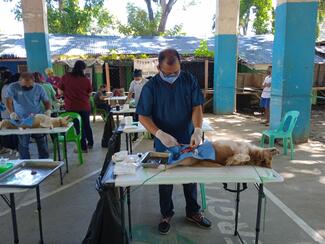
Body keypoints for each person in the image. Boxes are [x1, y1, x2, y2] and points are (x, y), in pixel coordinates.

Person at [137, 48, 211, 234]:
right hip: (164, 140)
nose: (172, 76)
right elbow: (143, 116)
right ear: (158, 67)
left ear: (180, 64)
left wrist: (197, 129)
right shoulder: (151, 87)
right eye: (167, 73)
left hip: (187, 137)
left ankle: (193, 211)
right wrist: (159, 134)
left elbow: (196, 106)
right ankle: (166, 214)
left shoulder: (188, 80)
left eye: (176, 72)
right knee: (164, 178)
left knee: (190, 176)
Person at [5, 72, 51, 159]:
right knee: (23, 143)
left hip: (37, 118)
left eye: (30, 85)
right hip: (21, 119)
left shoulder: (39, 88)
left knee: (41, 140)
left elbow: (46, 101)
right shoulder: (13, 87)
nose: (27, 87)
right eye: (25, 86)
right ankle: (25, 162)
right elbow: (8, 101)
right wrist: (11, 112)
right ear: (20, 82)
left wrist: (48, 110)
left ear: (34, 81)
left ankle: (44, 160)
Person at [58, 60, 94, 152]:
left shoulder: (65, 77)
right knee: (86, 125)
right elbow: (90, 94)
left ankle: (83, 147)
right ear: (83, 69)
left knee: (78, 127)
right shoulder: (86, 80)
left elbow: (60, 91)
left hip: (71, 107)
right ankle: (90, 143)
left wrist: (69, 93)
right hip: (85, 106)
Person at [0, 72, 19, 153]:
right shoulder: (10, 87)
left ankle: (11, 147)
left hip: (4, 111)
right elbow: (11, 101)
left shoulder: (3, 87)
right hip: (10, 112)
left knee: (8, 131)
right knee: (14, 131)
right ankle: (15, 147)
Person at [127, 69, 147, 141]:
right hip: (137, 104)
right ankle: (135, 135)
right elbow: (130, 93)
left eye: (138, 78)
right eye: (135, 78)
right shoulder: (133, 83)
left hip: (146, 104)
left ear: (141, 77)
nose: (136, 80)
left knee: (148, 119)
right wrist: (127, 102)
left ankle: (151, 134)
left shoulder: (146, 82)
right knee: (135, 119)